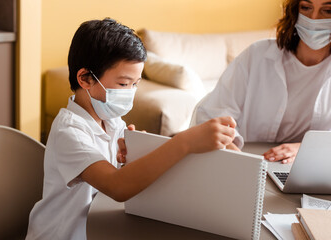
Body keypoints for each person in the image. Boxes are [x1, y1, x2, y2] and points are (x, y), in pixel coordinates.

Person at [26, 18, 236, 240]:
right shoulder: (68, 132)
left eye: (135, 84)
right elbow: (118, 187)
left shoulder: (112, 120)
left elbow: (123, 174)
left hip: (97, 229)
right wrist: (184, 142)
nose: (130, 92)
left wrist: (136, 151)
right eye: (124, 84)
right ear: (86, 78)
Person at [194, 0, 331, 164]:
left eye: (328, 11)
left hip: (308, 166)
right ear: (295, 10)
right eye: (306, 7)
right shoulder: (257, 55)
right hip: (244, 158)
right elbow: (211, 115)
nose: (314, 18)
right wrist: (237, 158)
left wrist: (303, 149)